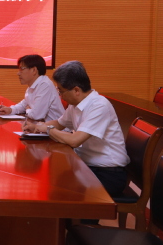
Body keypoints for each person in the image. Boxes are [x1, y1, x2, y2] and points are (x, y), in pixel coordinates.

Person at [23, 60, 129, 198]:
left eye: (61, 91)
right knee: (52, 182)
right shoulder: (75, 105)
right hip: (88, 166)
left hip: (108, 173)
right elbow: (59, 123)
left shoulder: (99, 106)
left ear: (76, 90)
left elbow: (75, 140)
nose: (60, 95)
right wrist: (36, 127)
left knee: (59, 190)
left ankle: (86, 214)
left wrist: (48, 129)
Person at [0, 54, 65, 123]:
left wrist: (27, 110)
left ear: (34, 70)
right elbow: (23, 105)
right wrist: (10, 110)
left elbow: (37, 115)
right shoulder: (34, 86)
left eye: (21, 69)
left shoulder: (45, 85)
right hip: (42, 126)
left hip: (57, 129)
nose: (18, 73)